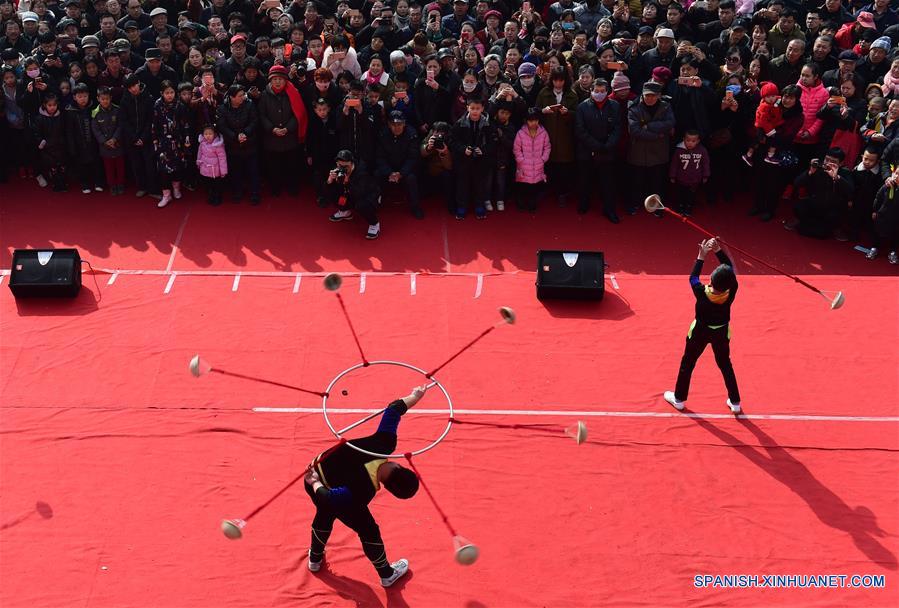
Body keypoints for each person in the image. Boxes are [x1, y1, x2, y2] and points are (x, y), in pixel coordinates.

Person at [304, 384, 426, 586]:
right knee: (368, 530)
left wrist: (416, 396)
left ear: (398, 466)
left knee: (326, 511)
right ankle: (386, 574)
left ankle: (315, 559)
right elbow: (330, 498)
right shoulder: (364, 491)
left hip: (315, 478)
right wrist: (316, 482)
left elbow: (394, 409)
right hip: (322, 486)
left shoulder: (384, 444)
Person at [664, 237, 742, 414]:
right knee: (725, 364)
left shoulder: (701, 292)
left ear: (711, 281)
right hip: (721, 332)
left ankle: (679, 399)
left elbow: (693, 277)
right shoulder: (732, 289)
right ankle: (735, 402)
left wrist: (702, 255)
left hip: (699, 332)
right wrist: (718, 251)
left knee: (688, 363)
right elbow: (729, 269)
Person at [575, 77, 621, 221]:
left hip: (607, 151)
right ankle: (584, 205)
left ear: (607, 91)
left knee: (608, 183)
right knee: (584, 180)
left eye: (602, 91)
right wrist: (596, 145)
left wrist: (607, 146)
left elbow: (617, 128)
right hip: (587, 151)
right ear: (591, 91)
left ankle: (609, 210)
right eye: (596, 91)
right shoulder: (582, 107)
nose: (599, 93)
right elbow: (580, 130)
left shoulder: (615, 106)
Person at [375, 111, 423, 219]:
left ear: (404, 124)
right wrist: (389, 172)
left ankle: (415, 207)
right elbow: (380, 157)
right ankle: (376, 203)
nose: (396, 127)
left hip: (405, 168)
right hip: (389, 168)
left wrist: (401, 173)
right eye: (393, 124)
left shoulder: (412, 134)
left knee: (411, 179)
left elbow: (413, 158)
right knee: (377, 175)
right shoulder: (383, 134)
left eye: (399, 124)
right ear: (389, 124)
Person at [327, 149, 382, 240]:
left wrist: (347, 181)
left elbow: (360, 193)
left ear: (352, 163)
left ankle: (374, 224)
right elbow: (332, 190)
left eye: (346, 166)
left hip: (370, 197)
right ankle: (345, 211)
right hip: (351, 193)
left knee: (361, 205)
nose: (343, 168)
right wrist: (330, 181)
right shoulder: (338, 170)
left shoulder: (362, 172)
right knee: (333, 194)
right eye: (340, 165)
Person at [513, 107, 551, 212]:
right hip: (523, 166)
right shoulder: (520, 133)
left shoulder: (543, 132)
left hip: (538, 164)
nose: (533, 123)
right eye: (530, 121)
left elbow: (547, 147)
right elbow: (516, 149)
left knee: (535, 187)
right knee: (523, 186)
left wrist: (543, 159)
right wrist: (521, 160)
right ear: (526, 121)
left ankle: (532, 203)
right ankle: (521, 202)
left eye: (535, 120)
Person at [92, 86, 126, 195]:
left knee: (120, 167)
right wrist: (104, 141)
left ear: (111, 98)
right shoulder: (95, 113)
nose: (105, 101)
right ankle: (112, 185)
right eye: (102, 99)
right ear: (98, 99)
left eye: (107, 98)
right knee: (109, 168)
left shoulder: (117, 110)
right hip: (105, 147)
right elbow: (96, 130)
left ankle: (120, 184)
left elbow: (120, 126)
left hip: (118, 144)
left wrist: (114, 139)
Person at [669, 129, 710, 217]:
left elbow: (705, 163)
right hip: (681, 178)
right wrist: (672, 175)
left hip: (695, 179)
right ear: (684, 139)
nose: (690, 143)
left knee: (691, 195)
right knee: (680, 194)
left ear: (698, 141)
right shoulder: (679, 150)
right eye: (688, 140)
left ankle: (688, 208)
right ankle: (680, 207)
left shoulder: (702, 150)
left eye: (693, 141)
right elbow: (674, 164)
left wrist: (705, 175)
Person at [742, 81, 783, 166]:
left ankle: (751, 155)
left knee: (761, 141)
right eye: (768, 96)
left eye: (773, 96)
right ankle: (767, 156)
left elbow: (779, 99)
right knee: (758, 141)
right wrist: (770, 131)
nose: (771, 98)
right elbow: (763, 121)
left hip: (770, 125)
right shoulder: (764, 107)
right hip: (761, 127)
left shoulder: (776, 101)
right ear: (764, 97)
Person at [196, 124, 228, 205]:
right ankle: (211, 195)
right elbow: (200, 153)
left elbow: (222, 158)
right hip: (205, 168)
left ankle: (217, 196)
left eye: (210, 134)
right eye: (206, 134)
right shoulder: (202, 143)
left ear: (214, 134)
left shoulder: (218, 145)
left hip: (215, 170)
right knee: (208, 183)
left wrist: (223, 171)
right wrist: (199, 162)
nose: (208, 136)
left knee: (216, 185)